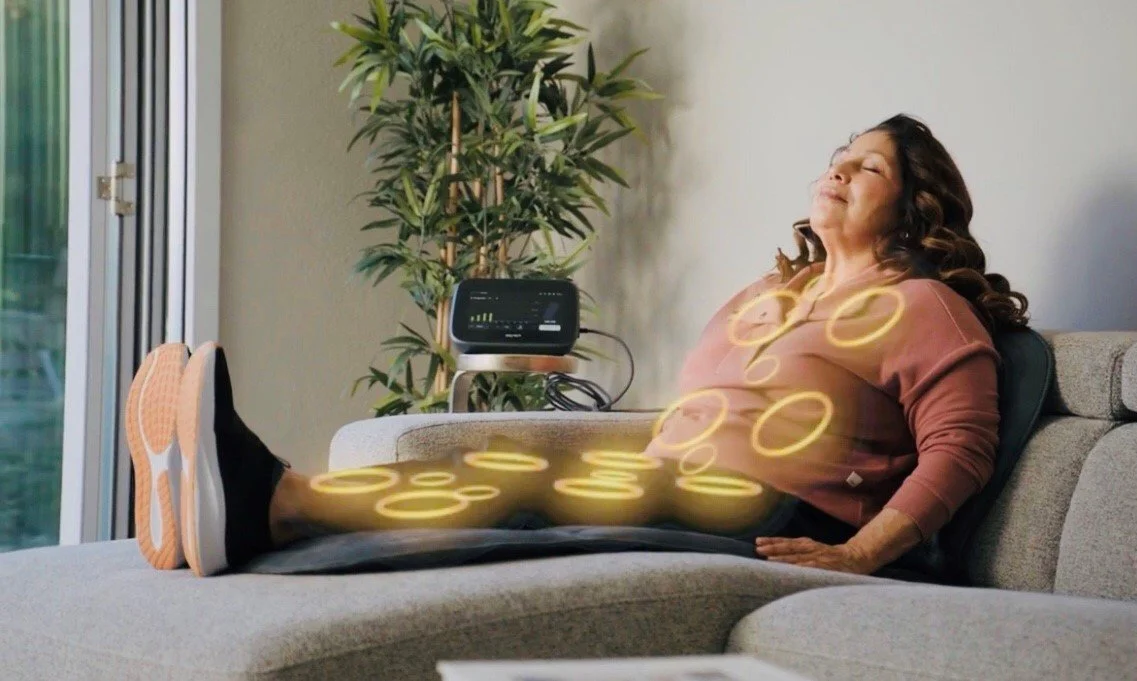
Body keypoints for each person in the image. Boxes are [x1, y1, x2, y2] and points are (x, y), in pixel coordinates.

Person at [125, 114, 1028, 578]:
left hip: (784, 513)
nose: (839, 167)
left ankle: (262, 501)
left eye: (868, 166)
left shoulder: (922, 304)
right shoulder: (773, 293)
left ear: (916, 207)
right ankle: (255, 509)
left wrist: (865, 551)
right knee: (502, 463)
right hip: (695, 485)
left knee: (524, 482)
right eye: (841, 153)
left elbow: (963, 447)